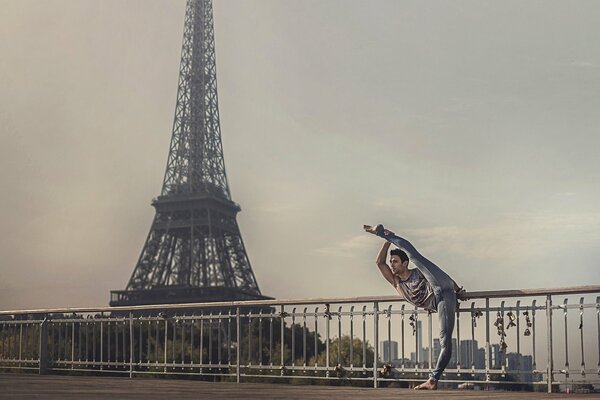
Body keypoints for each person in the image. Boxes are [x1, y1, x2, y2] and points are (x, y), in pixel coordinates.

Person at [364, 223, 464, 390]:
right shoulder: (397, 283)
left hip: (442, 287)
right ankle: (433, 380)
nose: (392, 264)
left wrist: (458, 290)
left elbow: (440, 276)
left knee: (417, 257)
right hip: (442, 301)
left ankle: (384, 233)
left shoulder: (418, 271)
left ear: (404, 264)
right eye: (392, 262)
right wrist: (387, 244)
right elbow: (379, 263)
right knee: (445, 340)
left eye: (395, 261)